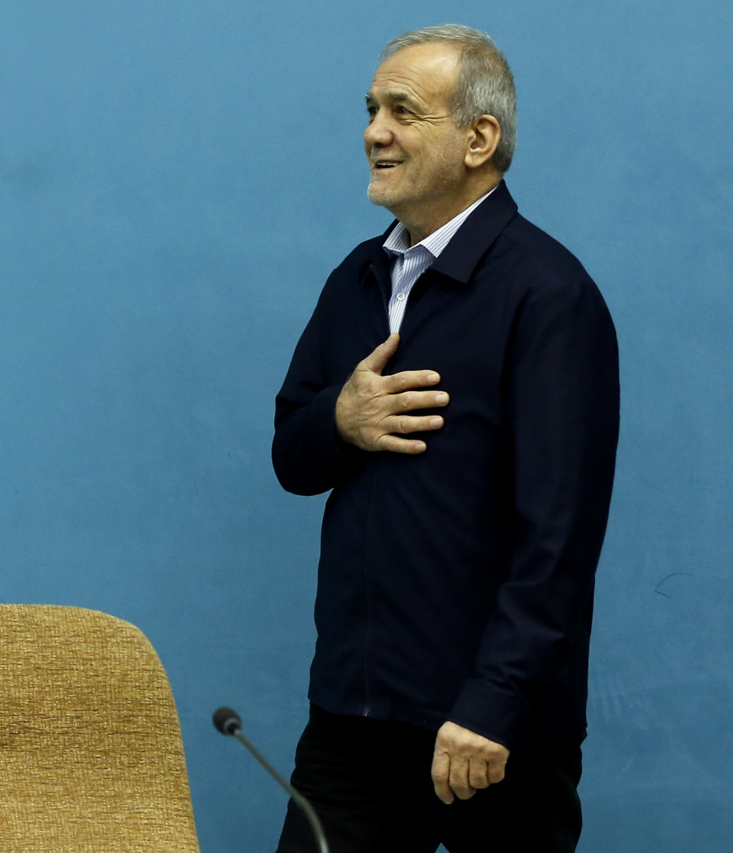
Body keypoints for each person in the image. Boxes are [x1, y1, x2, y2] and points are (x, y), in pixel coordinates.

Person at [271, 24, 618, 853]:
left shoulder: (548, 294)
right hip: (352, 718)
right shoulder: (355, 278)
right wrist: (339, 420)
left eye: (403, 111)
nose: (374, 132)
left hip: (490, 733)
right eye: (370, 110)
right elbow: (291, 456)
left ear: (479, 138)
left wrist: (495, 702)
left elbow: (559, 539)